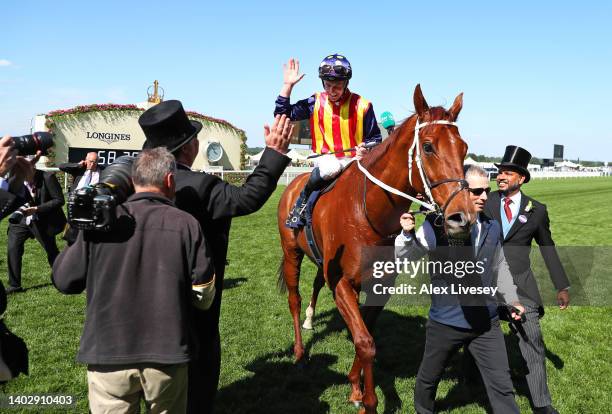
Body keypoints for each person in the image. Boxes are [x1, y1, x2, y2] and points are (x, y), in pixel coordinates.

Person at [137, 100, 292, 413]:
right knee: (198, 378)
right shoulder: (199, 184)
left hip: (134, 304)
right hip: (194, 304)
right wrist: (273, 151)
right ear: (188, 148)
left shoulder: (127, 183)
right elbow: (247, 198)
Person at [52, 147, 216, 413]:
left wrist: (78, 232)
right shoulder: (187, 223)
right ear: (170, 181)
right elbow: (204, 294)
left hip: (107, 353)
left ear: (132, 180)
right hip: (168, 355)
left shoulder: (102, 220)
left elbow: (64, 280)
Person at [395, 164, 525, 414]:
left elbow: (499, 266)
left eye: (487, 190)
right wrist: (407, 235)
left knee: (502, 387)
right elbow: (406, 259)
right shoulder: (437, 224)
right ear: (461, 190)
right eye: (477, 192)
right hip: (446, 323)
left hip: (486, 323)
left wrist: (512, 299)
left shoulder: (492, 225)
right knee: (428, 380)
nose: (485, 197)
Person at [484, 145, 569, 414]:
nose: (502, 176)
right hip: (485, 286)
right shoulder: (484, 202)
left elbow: (548, 248)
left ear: (521, 178)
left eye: (509, 172)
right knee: (476, 336)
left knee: (533, 341)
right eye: (500, 172)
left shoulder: (537, 210)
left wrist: (561, 285)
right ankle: (471, 378)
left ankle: (542, 404)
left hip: (522, 286)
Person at [274, 55, 382, 227]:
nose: (332, 90)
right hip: (326, 158)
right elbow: (282, 114)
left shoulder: (364, 105)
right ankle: (301, 204)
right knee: (332, 168)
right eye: (328, 85)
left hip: (355, 159)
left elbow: (375, 138)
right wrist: (288, 86)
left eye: (337, 86)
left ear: (346, 83)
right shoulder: (314, 102)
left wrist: (366, 149)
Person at [5, 163, 66, 294]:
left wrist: (37, 209)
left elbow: (59, 200)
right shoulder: (16, 177)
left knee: (51, 251)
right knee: (13, 249)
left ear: (32, 168)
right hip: (21, 219)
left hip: (42, 220)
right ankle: (14, 285)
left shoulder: (47, 177)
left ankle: (63, 280)